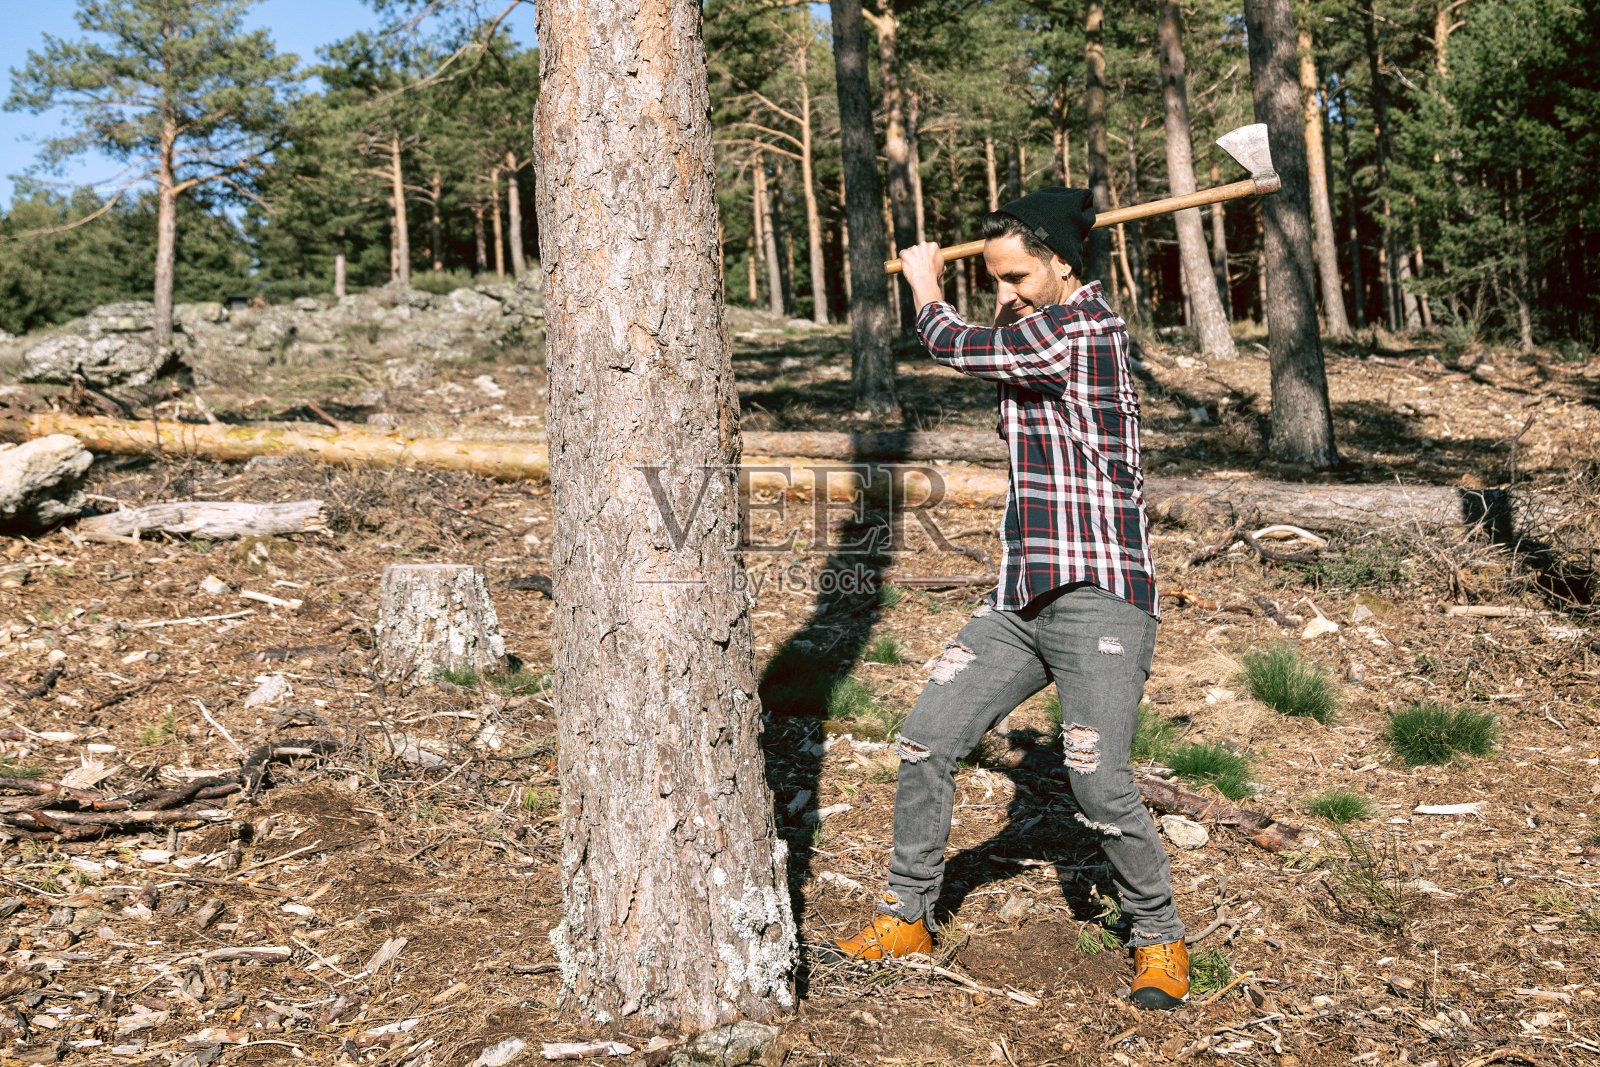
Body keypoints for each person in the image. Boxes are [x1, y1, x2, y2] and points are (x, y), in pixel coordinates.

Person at [827, 187, 1189, 1010]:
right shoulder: (1040, 324)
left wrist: (927, 287)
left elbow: (956, 343)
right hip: (1023, 596)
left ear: (1064, 261)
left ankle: (1159, 937)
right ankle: (907, 916)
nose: (1007, 294)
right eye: (994, 281)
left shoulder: (1083, 328)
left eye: (1019, 274)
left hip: (1101, 595)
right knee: (926, 739)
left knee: (1098, 783)